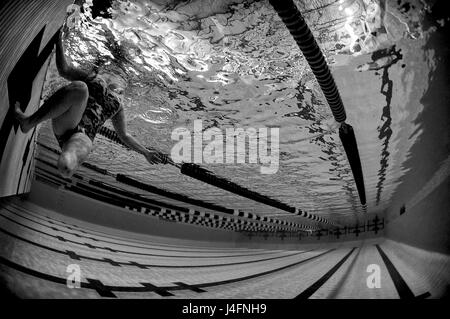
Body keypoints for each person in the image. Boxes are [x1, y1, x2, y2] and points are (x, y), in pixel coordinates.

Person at [14, 27, 168, 178]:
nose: (120, 78)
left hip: (84, 135)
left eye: (123, 78)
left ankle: (69, 161)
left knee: (82, 143)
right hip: (69, 120)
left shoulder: (118, 106)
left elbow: (124, 136)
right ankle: (29, 123)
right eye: (118, 74)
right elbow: (64, 70)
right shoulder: (93, 79)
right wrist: (58, 40)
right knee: (81, 89)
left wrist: (146, 152)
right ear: (106, 71)